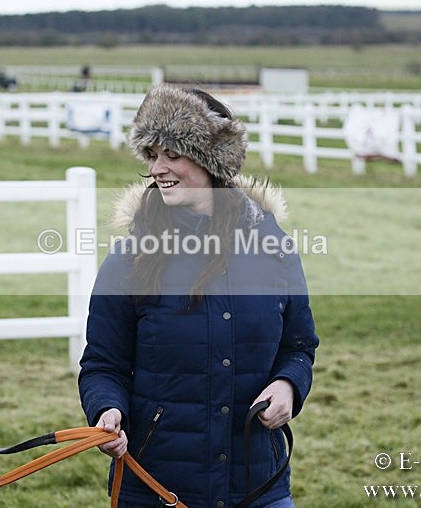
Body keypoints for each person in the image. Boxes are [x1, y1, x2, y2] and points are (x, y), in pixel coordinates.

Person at [78, 84, 318, 507]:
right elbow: (103, 365)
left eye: (172, 154)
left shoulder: (273, 248)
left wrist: (288, 386)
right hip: (156, 485)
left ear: (213, 160)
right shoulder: (132, 259)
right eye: (152, 156)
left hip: (258, 487)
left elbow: (299, 347)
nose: (158, 168)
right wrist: (106, 411)